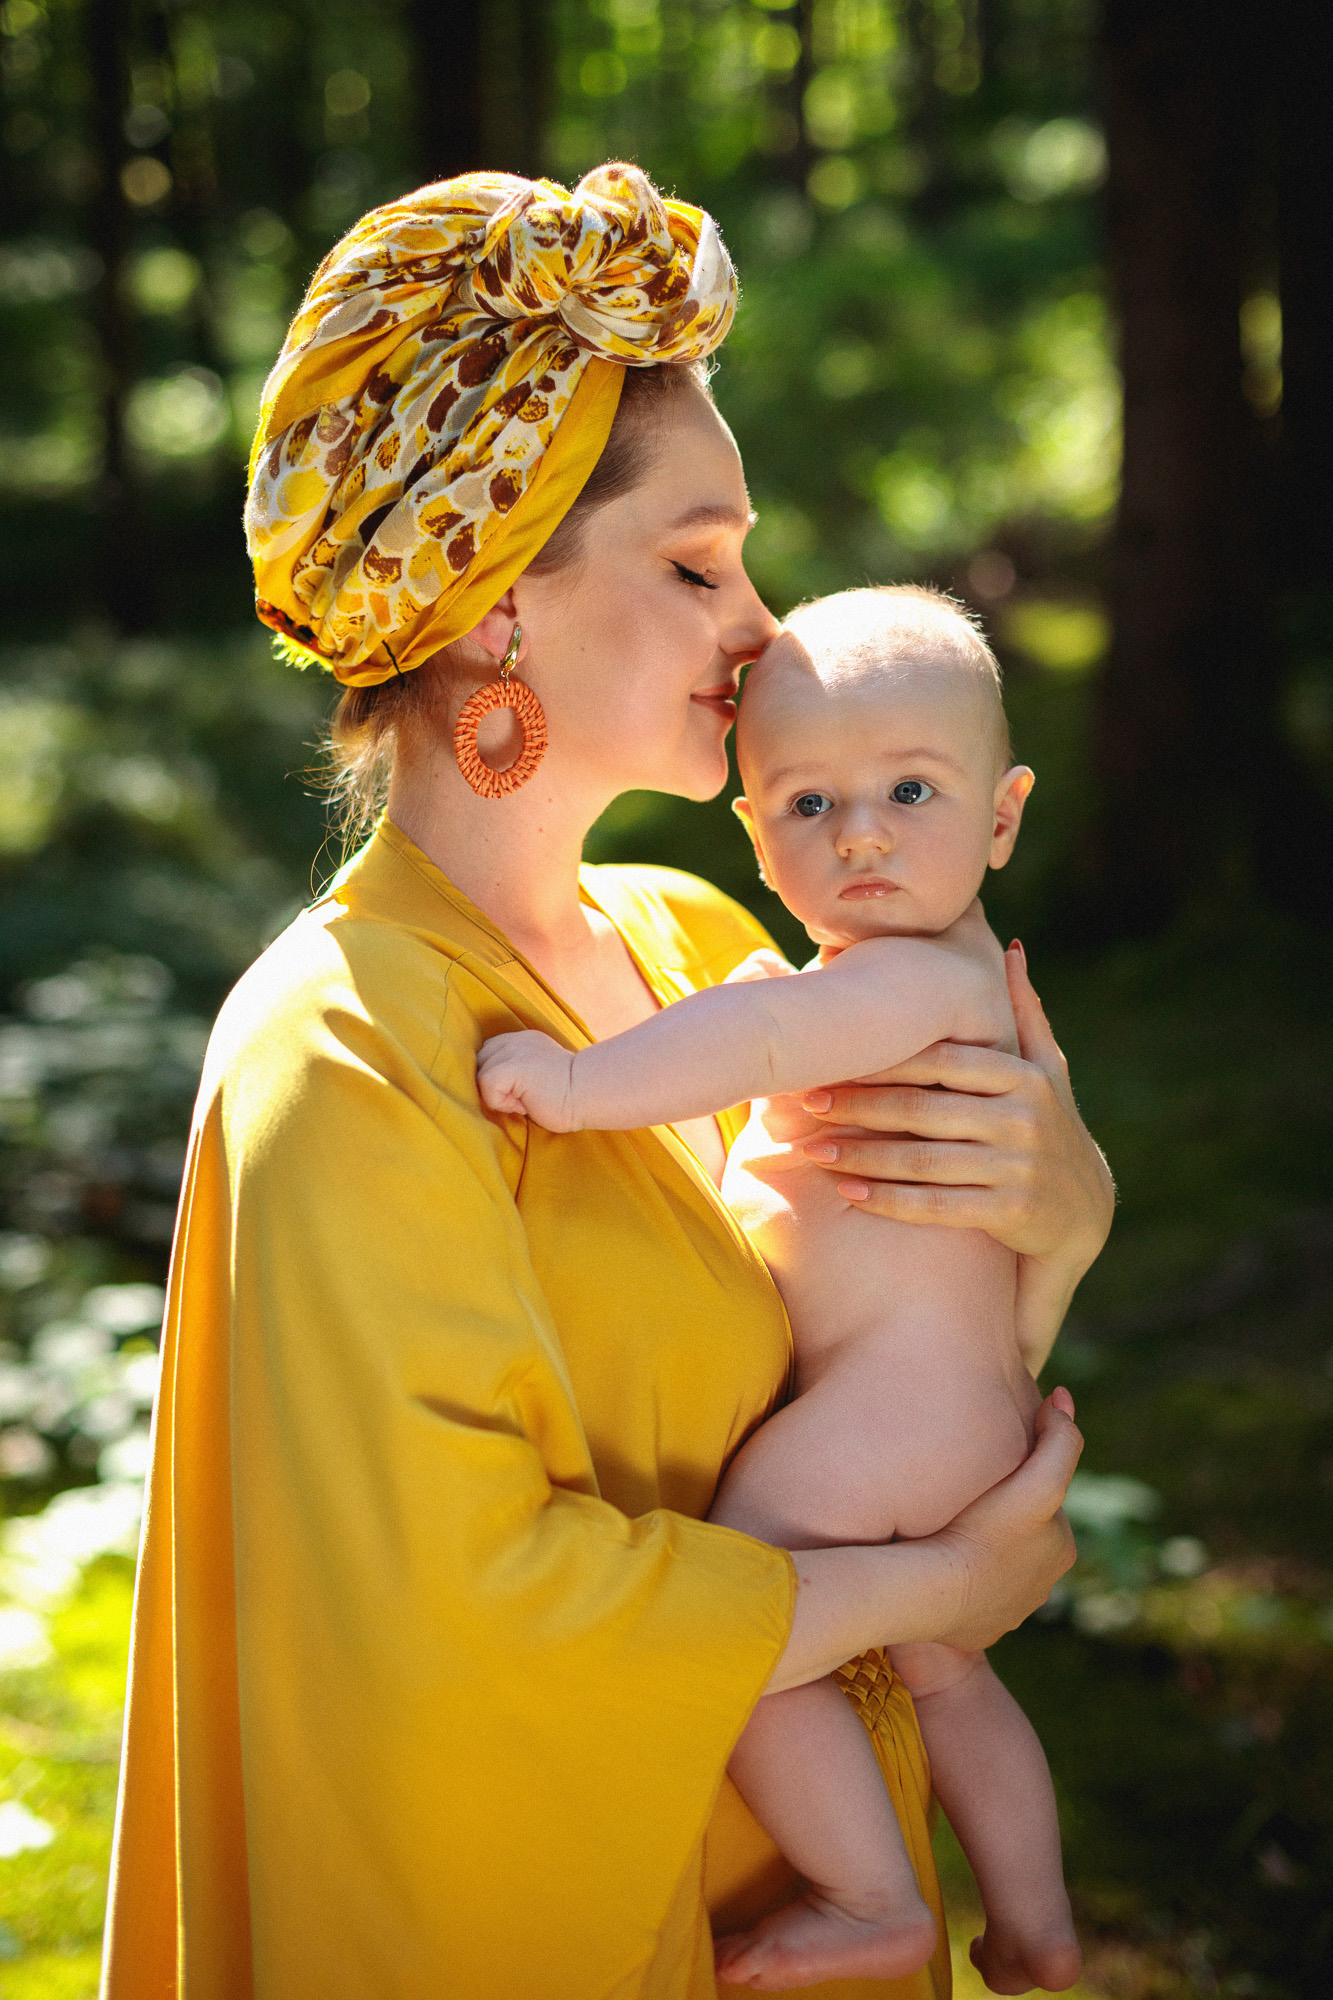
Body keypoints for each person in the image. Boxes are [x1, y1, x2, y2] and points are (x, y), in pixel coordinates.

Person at [102, 165, 1110, 2000]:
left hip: (804, 1892)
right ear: (493, 600)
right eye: (694, 560)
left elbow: (903, 1338)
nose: (760, 623)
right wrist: (930, 1599)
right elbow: (464, 1620)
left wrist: (1063, 1216)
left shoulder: (708, 946)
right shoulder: (335, 1052)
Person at [479, 585, 1085, 1995]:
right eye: (806, 805)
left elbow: (761, 1035)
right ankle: (1038, 1922)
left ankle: (868, 1894)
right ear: (750, 833)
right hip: (945, 1408)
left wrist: (574, 1087)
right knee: (943, 1670)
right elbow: (786, 1008)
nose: (858, 832)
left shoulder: (919, 980)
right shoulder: (898, 980)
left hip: (894, 1415)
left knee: (749, 1613)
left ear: (999, 818)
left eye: (908, 792)